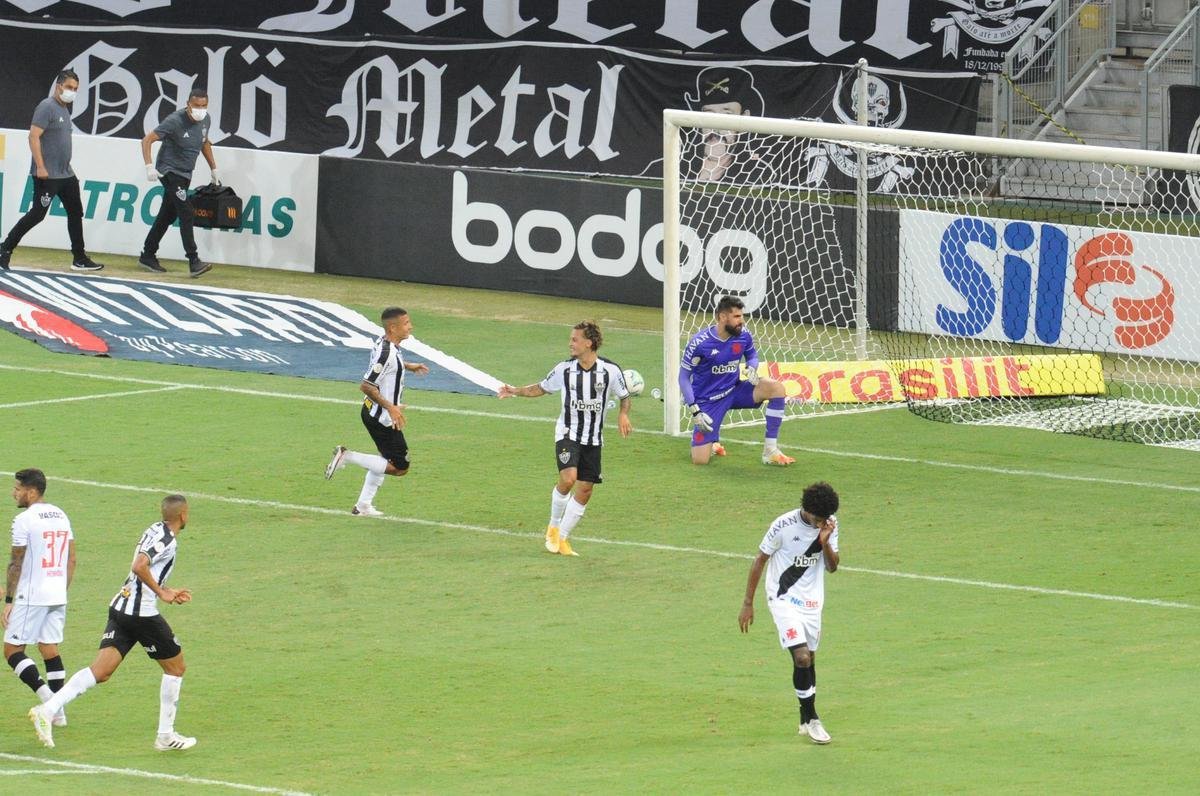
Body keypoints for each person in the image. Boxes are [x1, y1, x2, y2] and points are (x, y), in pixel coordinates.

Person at [29, 494, 196, 751]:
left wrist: (166, 589)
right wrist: (161, 593)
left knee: (100, 671)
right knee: (176, 668)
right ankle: (165, 736)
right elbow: (140, 566)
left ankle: (48, 709)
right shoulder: (168, 540)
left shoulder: (154, 529)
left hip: (121, 606)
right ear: (183, 515)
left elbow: (144, 570)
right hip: (141, 614)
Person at [497, 321, 632, 557]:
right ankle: (553, 526)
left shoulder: (610, 371)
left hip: (594, 438)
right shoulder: (564, 369)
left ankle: (563, 538)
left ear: (589, 343)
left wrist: (623, 414)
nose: (570, 343)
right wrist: (515, 390)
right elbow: (541, 387)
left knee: (586, 489)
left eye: (575, 339)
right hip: (568, 433)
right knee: (569, 479)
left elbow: (624, 396)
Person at [738, 482, 841, 745]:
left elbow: (832, 567)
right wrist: (748, 602)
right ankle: (814, 718)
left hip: (812, 602)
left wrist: (825, 543)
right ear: (806, 510)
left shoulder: (829, 525)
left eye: (824, 520)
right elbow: (760, 559)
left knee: (810, 658)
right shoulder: (783, 526)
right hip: (782, 598)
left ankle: (804, 718)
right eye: (817, 519)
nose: (821, 524)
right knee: (802, 657)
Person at [325, 307, 429, 516]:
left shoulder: (385, 343)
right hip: (382, 418)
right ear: (393, 327)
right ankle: (347, 456)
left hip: (372, 411)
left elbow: (387, 365)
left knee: (384, 458)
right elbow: (366, 385)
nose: (411, 326)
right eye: (406, 323)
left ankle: (363, 506)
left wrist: (408, 366)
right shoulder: (387, 352)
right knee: (400, 467)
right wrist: (391, 408)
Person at [0, 70, 105, 273]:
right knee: (37, 214)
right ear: (59, 86)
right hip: (48, 175)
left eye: (75, 89)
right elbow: (33, 137)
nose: (72, 92)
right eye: (69, 87)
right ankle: (5, 249)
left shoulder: (64, 109)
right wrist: (40, 166)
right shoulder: (46, 107)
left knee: (76, 212)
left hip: (66, 174)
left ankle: (79, 258)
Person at [680, 295, 795, 465]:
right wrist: (694, 409)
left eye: (742, 316)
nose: (742, 321)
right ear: (722, 317)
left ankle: (770, 451)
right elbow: (683, 377)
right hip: (708, 401)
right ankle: (711, 442)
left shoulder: (743, 335)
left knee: (776, 388)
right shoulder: (699, 343)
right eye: (737, 317)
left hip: (735, 390)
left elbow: (752, 356)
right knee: (700, 460)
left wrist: (751, 367)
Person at [3, 468, 75, 729]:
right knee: (49, 648)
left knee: (12, 651)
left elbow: (16, 562)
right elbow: (72, 558)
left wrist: (9, 600)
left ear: (31, 491)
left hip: (32, 594)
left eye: (18, 488)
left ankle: (49, 703)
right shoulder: (61, 515)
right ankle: (60, 714)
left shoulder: (25, 519)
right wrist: (60, 590)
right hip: (58, 593)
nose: (14, 493)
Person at [137, 88, 219, 278]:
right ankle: (194, 261)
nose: (200, 109)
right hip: (169, 171)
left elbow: (204, 142)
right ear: (188, 104)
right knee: (187, 211)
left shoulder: (206, 119)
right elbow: (147, 140)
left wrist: (214, 168)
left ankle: (147, 255)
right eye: (197, 106)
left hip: (185, 174)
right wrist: (149, 166)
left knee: (167, 215)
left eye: (204, 106)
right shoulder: (174, 120)